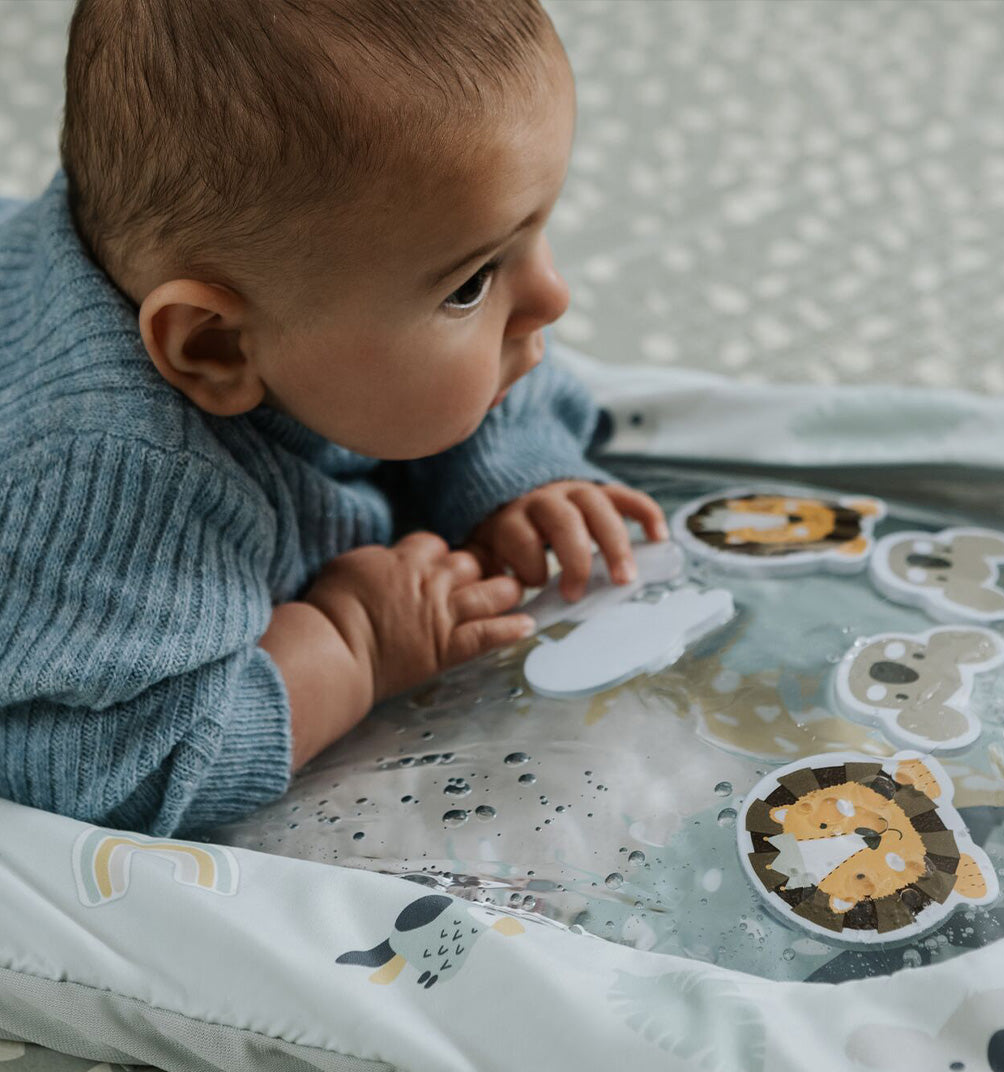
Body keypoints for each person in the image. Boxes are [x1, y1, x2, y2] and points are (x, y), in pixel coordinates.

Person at [0, 0, 668, 836]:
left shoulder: (247, 266)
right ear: (215, 349)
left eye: (535, 236)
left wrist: (515, 472)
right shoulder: (112, 489)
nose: (552, 298)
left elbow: (461, 375)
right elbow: (91, 773)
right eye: (470, 284)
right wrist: (349, 644)